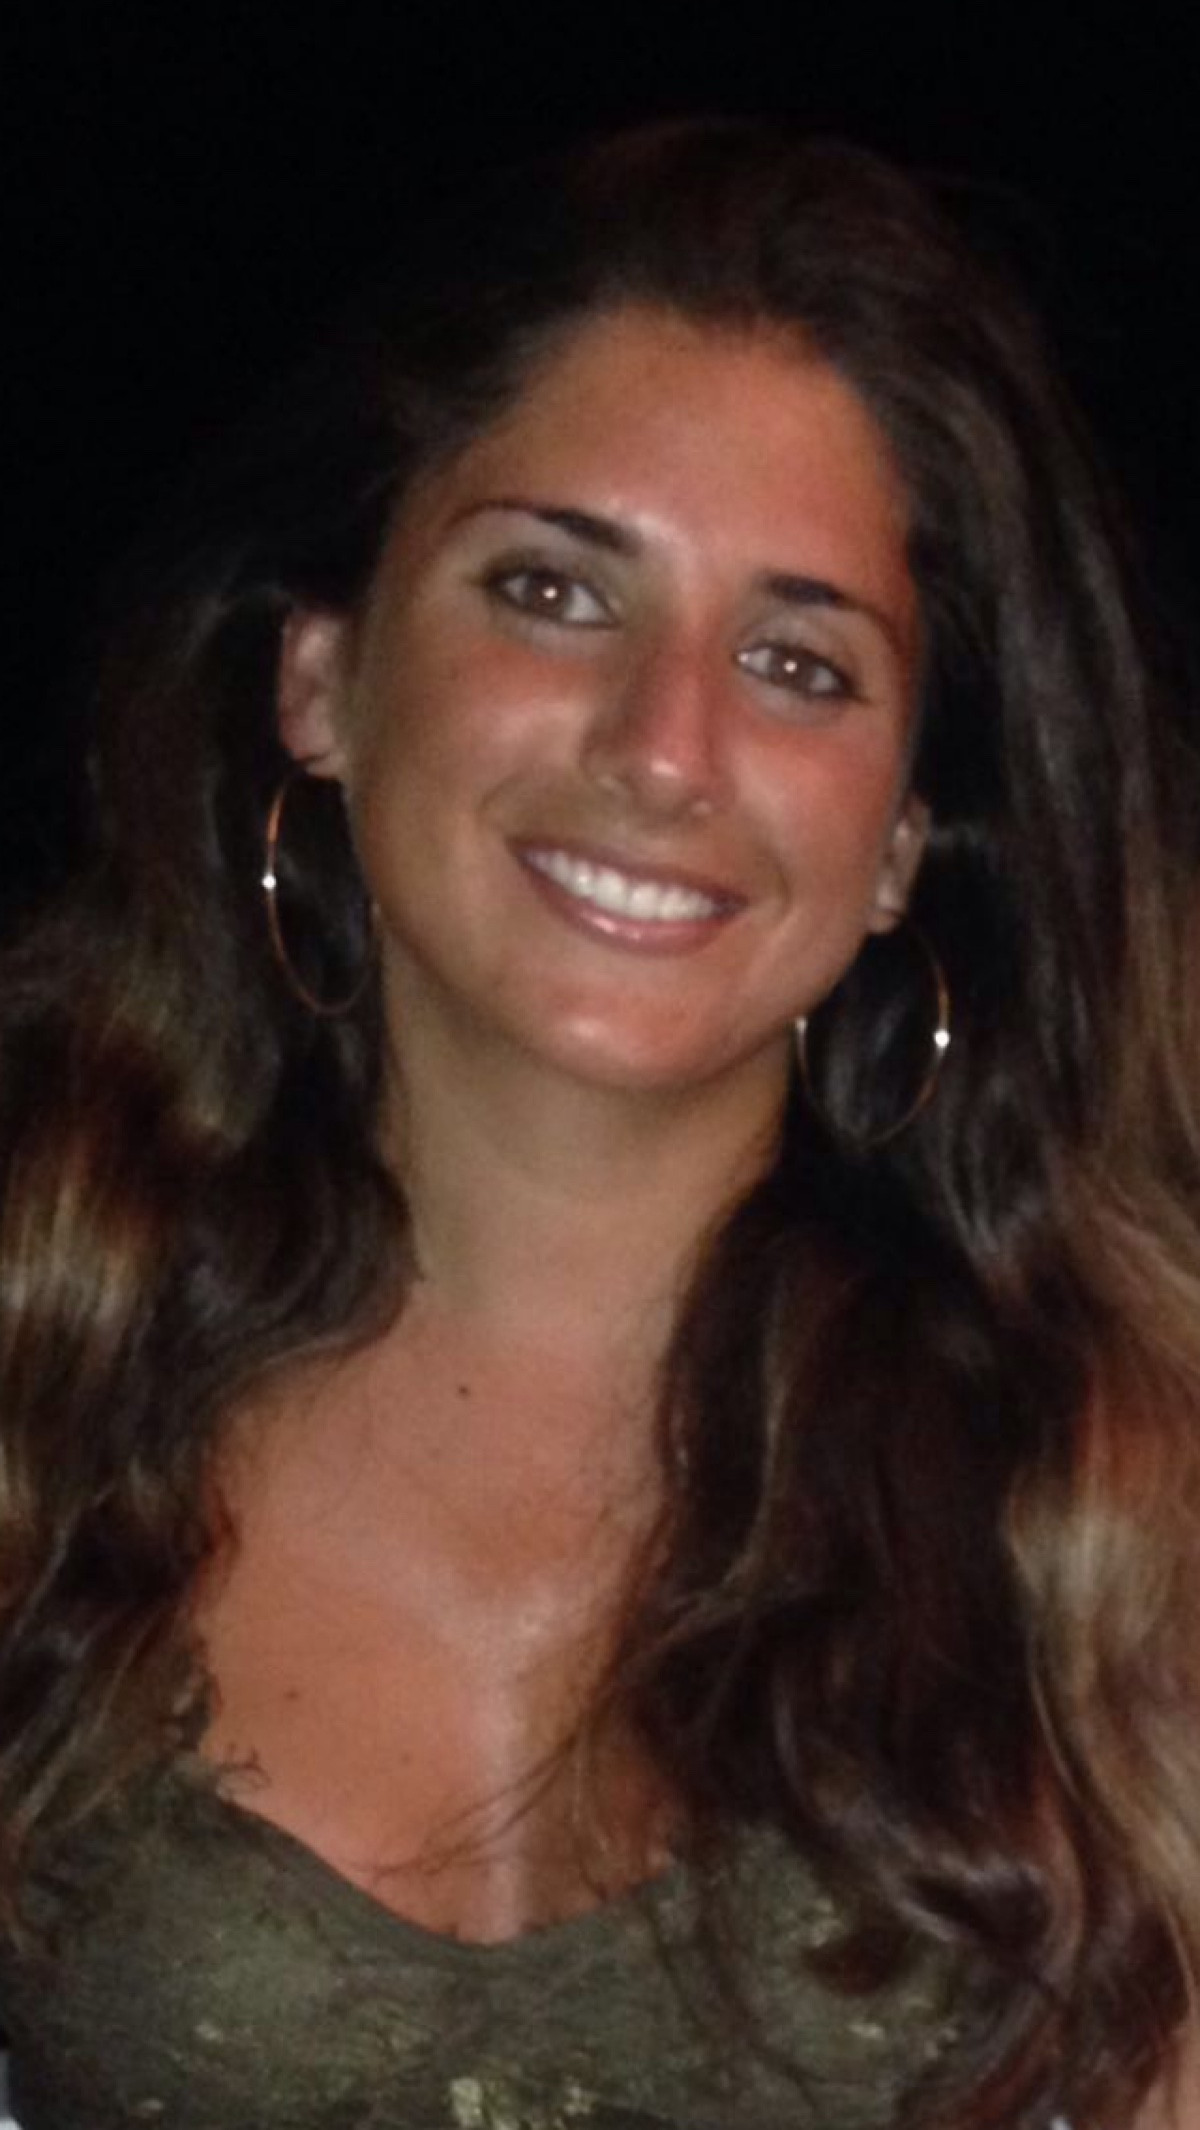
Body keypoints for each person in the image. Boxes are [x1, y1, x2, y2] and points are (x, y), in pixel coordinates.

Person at [0, 116, 1198, 2130]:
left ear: (904, 841)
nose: (666, 746)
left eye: (798, 660)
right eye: (553, 591)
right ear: (322, 674)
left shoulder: (1120, 1488)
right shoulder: (46, 1342)